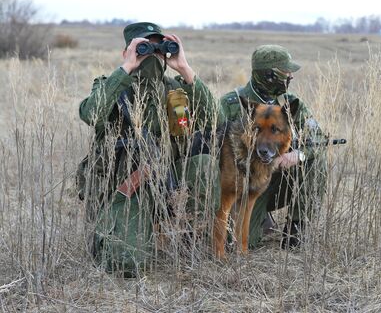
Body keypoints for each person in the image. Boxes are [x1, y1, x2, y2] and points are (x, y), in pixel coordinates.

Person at [77, 22, 219, 276]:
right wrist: (126, 69)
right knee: (126, 264)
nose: (151, 56)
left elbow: (215, 119)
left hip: (170, 182)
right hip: (126, 186)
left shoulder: (174, 89)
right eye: (144, 48)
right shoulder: (112, 86)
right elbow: (92, 114)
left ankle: (191, 231)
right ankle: (112, 229)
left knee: (205, 164)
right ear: (128, 52)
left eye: (157, 49)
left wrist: (184, 69)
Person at [218, 44, 327, 249]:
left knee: (315, 159)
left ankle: (296, 229)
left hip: (279, 178)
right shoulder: (232, 104)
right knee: (240, 243)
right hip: (241, 187)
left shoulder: (292, 104)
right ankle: (260, 216)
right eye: (285, 73)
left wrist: (297, 155)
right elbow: (212, 147)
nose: (289, 77)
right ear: (268, 75)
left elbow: (318, 138)